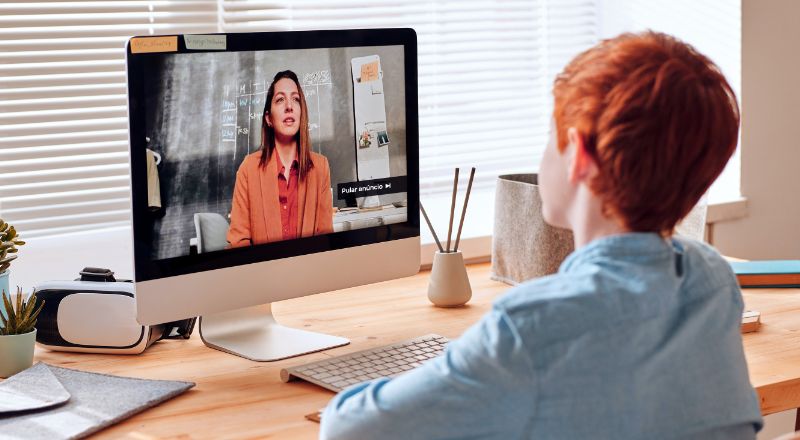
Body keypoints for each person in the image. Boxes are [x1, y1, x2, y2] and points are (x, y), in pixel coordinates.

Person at [320, 32, 763, 439]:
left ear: (581, 157)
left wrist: (449, 373)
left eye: (551, 137)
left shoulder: (531, 327)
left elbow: (348, 430)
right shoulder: (711, 281)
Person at [227, 70, 333, 247]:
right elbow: (239, 242)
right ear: (268, 118)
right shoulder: (248, 169)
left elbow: (325, 241)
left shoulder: (321, 168)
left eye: (296, 99)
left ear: (301, 112)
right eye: (280, 99)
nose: (289, 106)